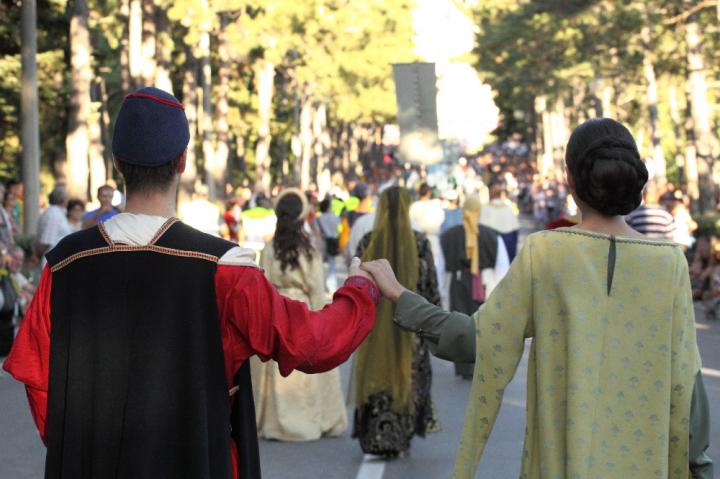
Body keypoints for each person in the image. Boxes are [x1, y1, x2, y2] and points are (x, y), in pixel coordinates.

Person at [2, 87, 379, 479]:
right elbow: (311, 344)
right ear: (182, 161)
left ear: (117, 164)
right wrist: (359, 290)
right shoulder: (224, 267)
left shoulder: (64, 263)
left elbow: (41, 384)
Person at [361, 118, 713, 479]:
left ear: (570, 178)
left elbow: (473, 339)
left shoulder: (545, 253)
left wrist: (400, 295)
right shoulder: (669, 263)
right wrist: (699, 466)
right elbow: (687, 381)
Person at [251, 189, 348, 441]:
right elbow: (316, 287)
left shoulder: (270, 248)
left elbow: (264, 281)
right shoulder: (309, 250)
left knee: (276, 363)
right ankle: (311, 418)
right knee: (305, 361)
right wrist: (321, 320)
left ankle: (274, 421)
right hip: (303, 309)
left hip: (278, 308)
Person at [351, 186, 439, 457]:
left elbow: (356, 282)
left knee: (378, 378)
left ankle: (377, 436)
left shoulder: (368, 241)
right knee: (409, 380)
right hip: (412, 325)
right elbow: (430, 286)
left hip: (376, 328)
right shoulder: (421, 243)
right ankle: (402, 440)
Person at [440, 195, 509, 379]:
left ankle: (464, 367)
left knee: (460, 324)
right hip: (485, 283)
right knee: (481, 324)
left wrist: (441, 291)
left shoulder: (449, 235)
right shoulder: (492, 235)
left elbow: (441, 266)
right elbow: (502, 267)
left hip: (457, 281)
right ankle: (481, 363)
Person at [480, 183, 520, 260]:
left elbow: (481, 227)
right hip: (507, 239)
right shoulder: (508, 208)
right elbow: (515, 229)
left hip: (489, 240)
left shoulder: (485, 207)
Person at [35, 186, 72, 261]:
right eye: (67, 198)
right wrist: (36, 258)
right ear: (62, 199)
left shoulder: (58, 212)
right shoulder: (53, 214)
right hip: (51, 261)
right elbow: (46, 242)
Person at [315, 197, 341, 291]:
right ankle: (332, 286)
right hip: (332, 242)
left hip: (322, 242)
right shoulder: (335, 217)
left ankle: (319, 284)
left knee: (319, 264)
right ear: (328, 207)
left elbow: (317, 232)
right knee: (332, 265)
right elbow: (338, 229)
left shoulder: (318, 218)